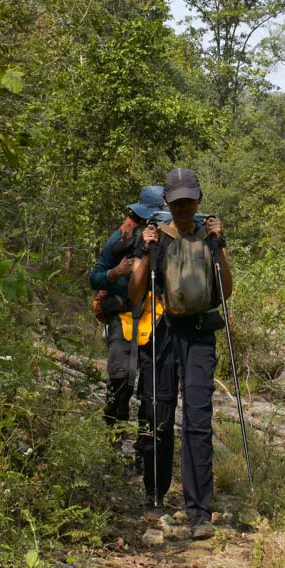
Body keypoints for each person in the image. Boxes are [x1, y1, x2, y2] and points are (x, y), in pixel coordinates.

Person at [129, 167, 230, 539]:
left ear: (198, 199)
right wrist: (146, 251)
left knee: (198, 419)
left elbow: (225, 291)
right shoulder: (156, 238)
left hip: (200, 333)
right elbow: (135, 293)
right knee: (159, 411)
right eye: (178, 201)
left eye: (189, 200)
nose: (184, 207)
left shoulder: (209, 237)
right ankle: (155, 494)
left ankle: (199, 511)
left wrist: (220, 246)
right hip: (164, 331)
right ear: (168, 202)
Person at [90, 185, 167, 470]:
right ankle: (113, 444)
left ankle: (144, 453)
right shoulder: (120, 237)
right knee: (120, 382)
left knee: (151, 390)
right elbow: (95, 277)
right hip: (122, 318)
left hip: (155, 320)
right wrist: (116, 272)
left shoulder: (170, 238)